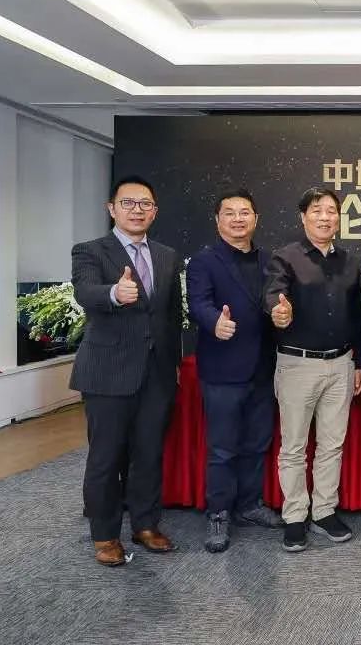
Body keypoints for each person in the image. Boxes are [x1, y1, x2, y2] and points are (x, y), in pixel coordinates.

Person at [71, 175, 183, 567]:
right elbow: (84, 291)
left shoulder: (166, 255)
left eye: (145, 204)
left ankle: (145, 524)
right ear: (112, 209)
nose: (138, 210)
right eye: (129, 203)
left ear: (155, 211)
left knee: (148, 453)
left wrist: (173, 365)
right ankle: (104, 535)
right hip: (108, 373)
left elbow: (172, 315)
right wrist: (114, 294)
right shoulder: (90, 251)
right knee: (106, 457)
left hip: (156, 374)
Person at [264, 186, 361, 553]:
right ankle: (295, 516)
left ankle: (324, 511)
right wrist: (278, 311)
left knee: (331, 445)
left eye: (331, 211)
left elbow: (359, 316)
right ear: (303, 216)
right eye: (317, 210)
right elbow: (274, 295)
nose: (325, 217)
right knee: (294, 446)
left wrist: (359, 363)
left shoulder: (350, 262)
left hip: (341, 365)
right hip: (298, 364)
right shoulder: (285, 257)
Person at [186, 188, 282, 553]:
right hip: (223, 369)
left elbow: (277, 303)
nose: (238, 219)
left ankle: (249, 504)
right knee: (223, 448)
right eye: (230, 212)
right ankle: (219, 513)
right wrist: (215, 322)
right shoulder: (204, 261)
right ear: (218, 220)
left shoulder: (270, 260)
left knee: (257, 443)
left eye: (245, 212)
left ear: (256, 218)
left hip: (263, 368)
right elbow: (198, 303)